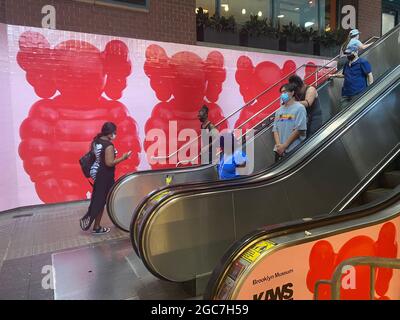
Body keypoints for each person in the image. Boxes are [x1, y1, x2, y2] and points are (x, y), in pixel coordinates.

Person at [80, 122, 131, 234]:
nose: (115, 135)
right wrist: (124, 157)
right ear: (109, 133)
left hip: (99, 174)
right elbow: (109, 163)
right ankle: (97, 227)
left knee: (105, 200)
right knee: (106, 200)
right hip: (105, 176)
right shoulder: (108, 145)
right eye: (114, 133)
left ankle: (114, 222)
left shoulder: (97, 141)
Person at [272, 83, 307, 162]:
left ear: (292, 92)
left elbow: (299, 129)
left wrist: (284, 146)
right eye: (281, 93)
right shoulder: (279, 111)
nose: (283, 95)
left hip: (294, 149)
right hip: (279, 151)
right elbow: (275, 129)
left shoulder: (299, 108)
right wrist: (279, 146)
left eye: (285, 92)